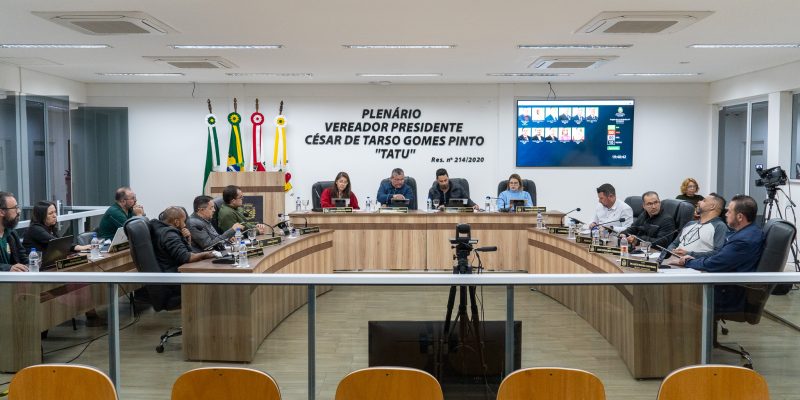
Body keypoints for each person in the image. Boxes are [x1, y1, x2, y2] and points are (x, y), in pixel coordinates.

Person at [678, 195, 764, 311]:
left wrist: (688, 261)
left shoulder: (743, 241)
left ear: (739, 217)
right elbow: (720, 258)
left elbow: (714, 263)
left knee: (676, 293)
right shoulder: (750, 231)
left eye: (729, 211)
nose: (726, 214)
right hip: (728, 285)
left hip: (727, 294)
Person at [151, 207, 216, 273]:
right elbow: (186, 257)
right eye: (184, 221)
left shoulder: (161, 230)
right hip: (174, 275)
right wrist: (206, 254)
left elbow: (184, 253)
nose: (185, 225)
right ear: (176, 222)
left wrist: (187, 240)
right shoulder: (170, 235)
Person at [666, 193, 728, 258]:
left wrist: (689, 254)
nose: (699, 202)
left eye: (704, 200)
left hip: (691, 265)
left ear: (712, 206)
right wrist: (671, 251)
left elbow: (718, 253)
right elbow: (674, 244)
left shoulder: (720, 226)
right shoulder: (690, 224)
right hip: (672, 260)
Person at [23, 201, 91, 253]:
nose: (54, 215)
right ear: (41, 216)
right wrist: (79, 247)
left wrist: (79, 247)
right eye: (50, 213)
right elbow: (57, 243)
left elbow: (61, 241)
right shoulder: (35, 229)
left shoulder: (50, 228)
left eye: (55, 212)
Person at [0, 192, 28, 272]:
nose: (18, 211)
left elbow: (22, 256)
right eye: (15, 208)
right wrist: (9, 268)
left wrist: (32, 263)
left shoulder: (11, 233)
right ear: (1, 212)